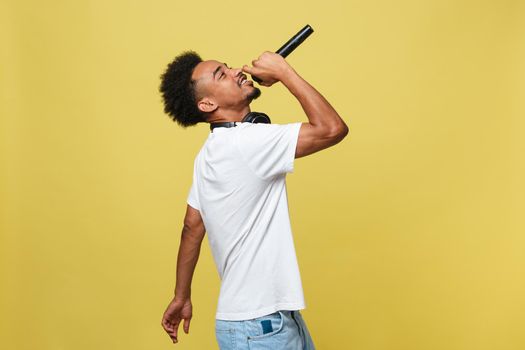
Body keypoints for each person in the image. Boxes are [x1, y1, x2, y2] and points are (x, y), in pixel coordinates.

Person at [159, 50, 349, 349]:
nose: (236, 71)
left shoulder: (210, 152)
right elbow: (332, 129)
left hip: (264, 321)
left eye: (228, 66)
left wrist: (182, 296)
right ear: (207, 104)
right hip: (261, 326)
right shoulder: (248, 142)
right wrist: (285, 73)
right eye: (222, 74)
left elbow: (192, 226)